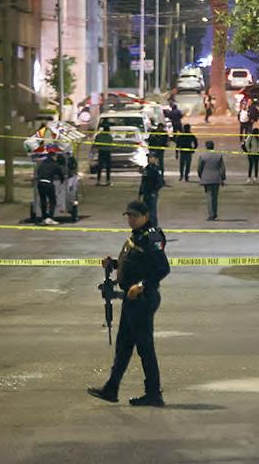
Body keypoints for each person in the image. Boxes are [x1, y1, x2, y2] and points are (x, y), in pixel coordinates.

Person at [87, 199, 170, 407]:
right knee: (123, 346)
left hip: (143, 299)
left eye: (135, 216)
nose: (131, 219)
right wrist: (114, 264)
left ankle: (153, 393)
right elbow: (136, 263)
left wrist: (142, 285)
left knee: (144, 347)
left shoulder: (151, 237)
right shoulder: (137, 236)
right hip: (131, 300)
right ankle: (111, 388)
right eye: (129, 216)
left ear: (145, 216)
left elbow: (162, 268)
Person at [197, 140, 226, 221]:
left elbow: (199, 168)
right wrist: (222, 178)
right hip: (216, 178)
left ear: (206, 146)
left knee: (209, 197)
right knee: (215, 197)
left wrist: (201, 176)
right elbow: (222, 168)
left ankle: (211, 214)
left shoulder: (203, 156)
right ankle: (215, 213)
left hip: (206, 178)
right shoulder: (218, 155)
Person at [35, 151, 64, 225]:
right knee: (53, 201)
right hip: (48, 183)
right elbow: (60, 173)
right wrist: (62, 180)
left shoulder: (42, 164)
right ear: (54, 157)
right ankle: (50, 218)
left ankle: (44, 217)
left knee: (43, 201)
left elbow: (38, 172)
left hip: (40, 183)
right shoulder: (55, 164)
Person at [139, 154, 164, 226]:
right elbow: (143, 182)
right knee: (145, 212)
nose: (149, 159)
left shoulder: (156, 169)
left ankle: (154, 227)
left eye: (151, 157)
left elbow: (160, 182)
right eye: (148, 157)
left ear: (155, 159)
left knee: (152, 212)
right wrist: (140, 193)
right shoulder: (146, 168)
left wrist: (154, 191)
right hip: (146, 193)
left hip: (152, 194)